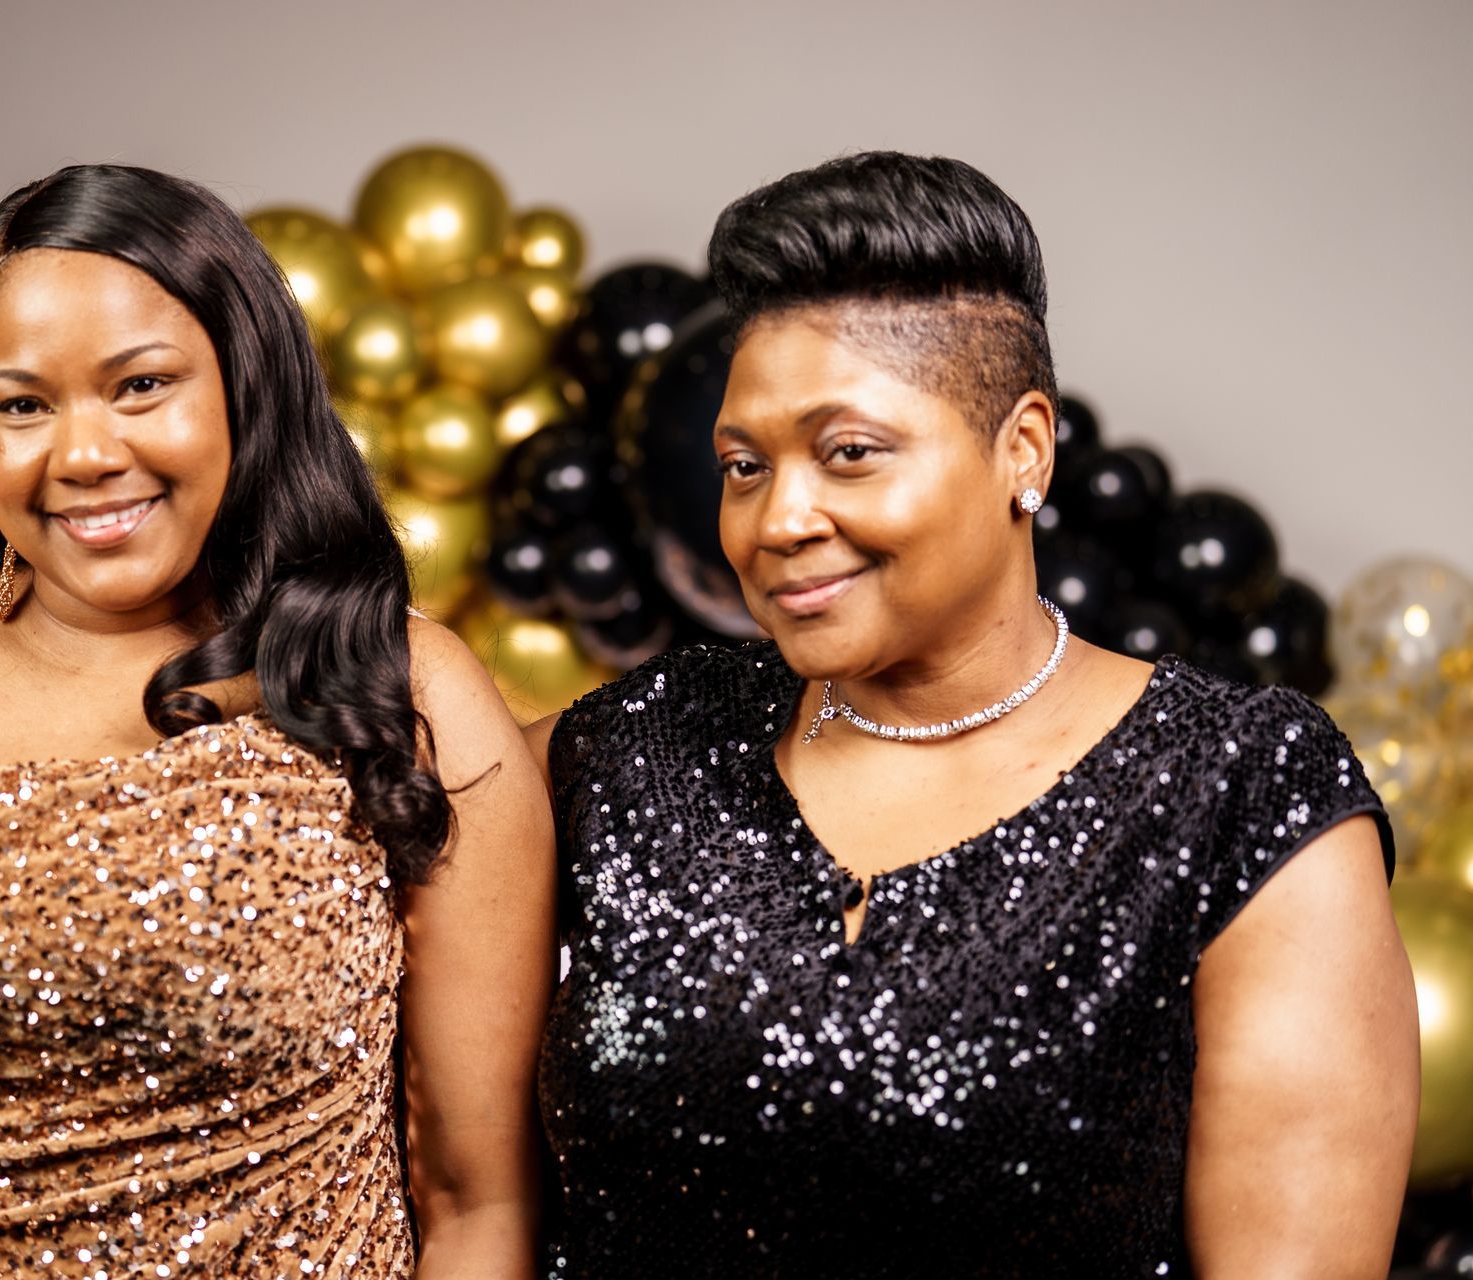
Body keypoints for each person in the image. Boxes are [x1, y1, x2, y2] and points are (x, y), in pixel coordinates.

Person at [0, 164, 553, 1279]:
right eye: (23, 403)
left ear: (245, 384)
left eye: (140, 386)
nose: (83, 454)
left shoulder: (398, 688)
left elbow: (475, 1200)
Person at [526, 152, 1416, 1277]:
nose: (777, 518)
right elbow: (377, 776)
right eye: (743, 465)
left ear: (1024, 451)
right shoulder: (640, 741)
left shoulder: (1240, 793)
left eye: (848, 453)